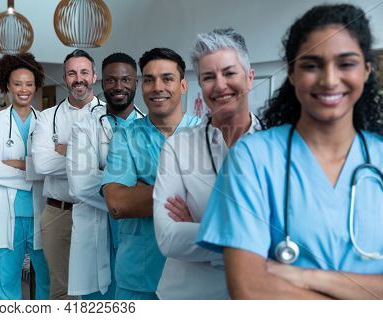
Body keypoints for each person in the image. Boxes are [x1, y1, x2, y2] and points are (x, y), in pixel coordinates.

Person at [197, 3, 382, 299]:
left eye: (346, 63)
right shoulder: (252, 158)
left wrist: (308, 276)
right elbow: (249, 289)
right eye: (311, 65)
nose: (330, 79)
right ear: (293, 73)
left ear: (366, 70)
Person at [153, 28, 263, 300]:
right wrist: (251, 239)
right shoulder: (178, 147)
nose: (220, 85)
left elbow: (290, 237)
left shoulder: (279, 148)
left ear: (249, 78)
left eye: (229, 73)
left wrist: (200, 228)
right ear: (201, 86)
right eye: (208, 77)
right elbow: (168, 237)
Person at [101, 48, 200, 300]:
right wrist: (190, 191)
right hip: (139, 275)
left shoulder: (206, 134)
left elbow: (222, 202)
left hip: (195, 273)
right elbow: (118, 203)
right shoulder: (126, 135)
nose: (157, 87)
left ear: (184, 84)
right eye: (148, 79)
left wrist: (143, 190)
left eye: (167, 78)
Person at [66, 52, 144, 299]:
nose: (119, 86)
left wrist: (108, 180)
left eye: (126, 80)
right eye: (111, 80)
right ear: (102, 83)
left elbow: (163, 182)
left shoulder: (150, 126)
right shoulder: (84, 125)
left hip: (138, 234)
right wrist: (132, 193)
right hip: (97, 229)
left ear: (136, 83)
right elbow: (79, 184)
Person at [31, 49, 104, 300]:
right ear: (64, 78)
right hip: (57, 215)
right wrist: (90, 159)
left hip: (97, 213)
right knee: (60, 290)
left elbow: (117, 166)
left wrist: (64, 151)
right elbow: (41, 164)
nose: (78, 78)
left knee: (98, 286)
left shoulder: (109, 114)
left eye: (84, 72)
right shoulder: (46, 117)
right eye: (72, 73)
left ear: (94, 76)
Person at [0, 53, 50, 300]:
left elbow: (53, 167)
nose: (24, 89)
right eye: (18, 83)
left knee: (46, 279)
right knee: (7, 281)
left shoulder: (46, 122)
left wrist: (19, 165)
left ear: (35, 86)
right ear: (8, 85)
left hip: (41, 215)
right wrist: (35, 172)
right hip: (5, 216)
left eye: (29, 84)